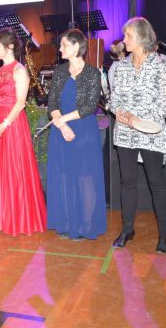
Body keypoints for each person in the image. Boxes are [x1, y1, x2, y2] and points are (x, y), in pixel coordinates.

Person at [109, 17, 166, 253]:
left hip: (150, 132)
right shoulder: (121, 67)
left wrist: (140, 120)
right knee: (127, 182)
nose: (124, 40)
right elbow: (114, 99)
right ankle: (127, 229)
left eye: (128, 36)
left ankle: (164, 235)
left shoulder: (159, 65)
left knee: (157, 182)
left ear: (142, 37)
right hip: (125, 132)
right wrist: (119, 112)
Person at [0, 28, 46, 236]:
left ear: (9, 47)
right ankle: (0, 215)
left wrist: (4, 124)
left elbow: (20, 103)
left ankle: (17, 217)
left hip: (12, 124)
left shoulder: (20, 71)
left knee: (14, 169)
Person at [46, 29, 107, 240]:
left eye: (64, 45)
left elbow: (89, 106)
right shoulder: (60, 71)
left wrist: (63, 120)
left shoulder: (92, 73)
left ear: (76, 46)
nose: (60, 48)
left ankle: (85, 225)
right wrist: (62, 125)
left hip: (83, 132)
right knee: (64, 176)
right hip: (62, 131)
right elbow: (52, 104)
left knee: (84, 178)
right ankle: (66, 222)